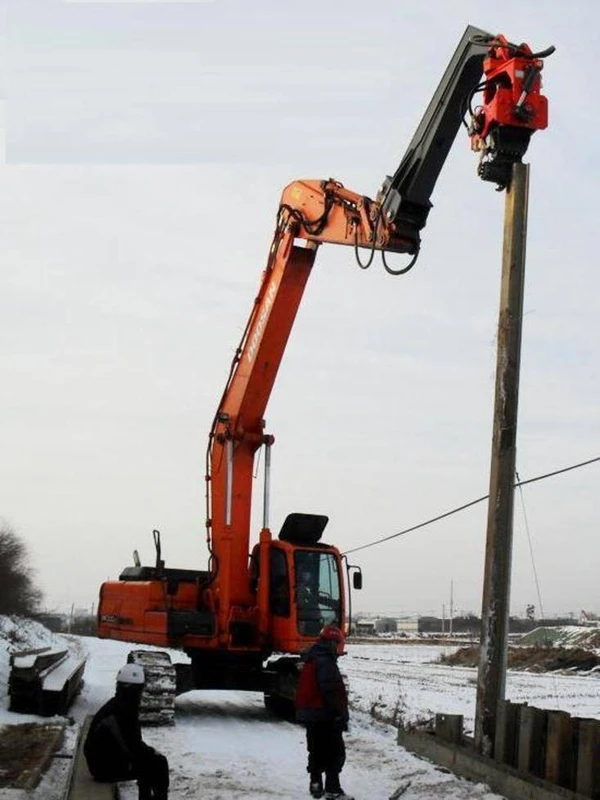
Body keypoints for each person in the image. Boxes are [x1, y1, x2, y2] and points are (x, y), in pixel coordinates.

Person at [84, 663, 170, 800]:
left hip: (105, 760)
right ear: (134, 689)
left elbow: (131, 742)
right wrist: (151, 753)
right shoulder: (122, 711)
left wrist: (149, 752)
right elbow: (131, 747)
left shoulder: (120, 705)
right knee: (157, 764)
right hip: (103, 768)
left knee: (151, 762)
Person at [295, 624, 353, 800]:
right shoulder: (325, 661)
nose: (337, 647)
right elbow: (330, 690)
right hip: (324, 713)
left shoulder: (312, 658)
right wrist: (340, 714)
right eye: (336, 643)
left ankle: (316, 784)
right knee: (335, 752)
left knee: (315, 749)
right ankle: (333, 789)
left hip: (310, 713)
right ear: (330, 642)